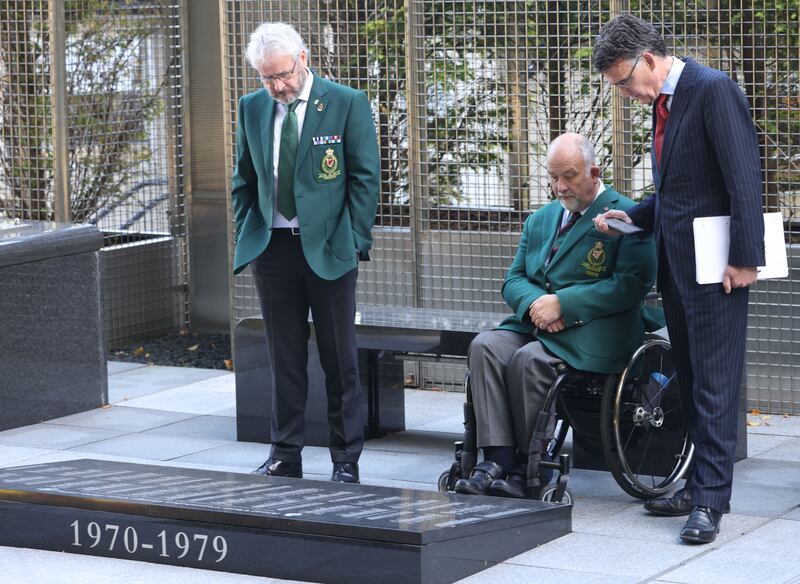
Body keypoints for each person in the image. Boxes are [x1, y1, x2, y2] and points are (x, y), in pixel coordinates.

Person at [591, 14, 765, 544]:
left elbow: (744, 177)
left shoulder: (712, 90)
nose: (624, 95)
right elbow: (676, 190)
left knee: (714, 384)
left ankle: (710, 502)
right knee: (690, 380)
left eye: (623, 82)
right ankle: (696, 487)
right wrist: (632, 220)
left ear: (647, 59)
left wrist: (745, 258)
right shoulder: (663, 102)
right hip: (679, 267)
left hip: (719, 269)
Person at [455, 133, 659, 500]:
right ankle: (499, 460)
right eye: (553, 177)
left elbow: (632, 284)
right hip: (538, 323)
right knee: (485, 346)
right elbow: (514, 279)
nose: (559, 186)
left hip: (597, 330)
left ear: (594, 172)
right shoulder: (541, 219)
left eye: (568, 176)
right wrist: (539, 305)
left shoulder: (625, 214)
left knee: (529, 360)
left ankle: (529, 465)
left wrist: (563, 303)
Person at [231, 22, 380, 484]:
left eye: (283, 74)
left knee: (340, 359)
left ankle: (345, 460)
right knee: (284, 357)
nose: (277, 85)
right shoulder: (253, 107)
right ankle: (284, 453)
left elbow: (364, 177)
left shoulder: (345, 102)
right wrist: (247, 228)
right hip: (273, 249)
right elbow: (244, 178)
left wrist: (354, 238)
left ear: (304, 58)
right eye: (267, 77)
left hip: (329, 249)